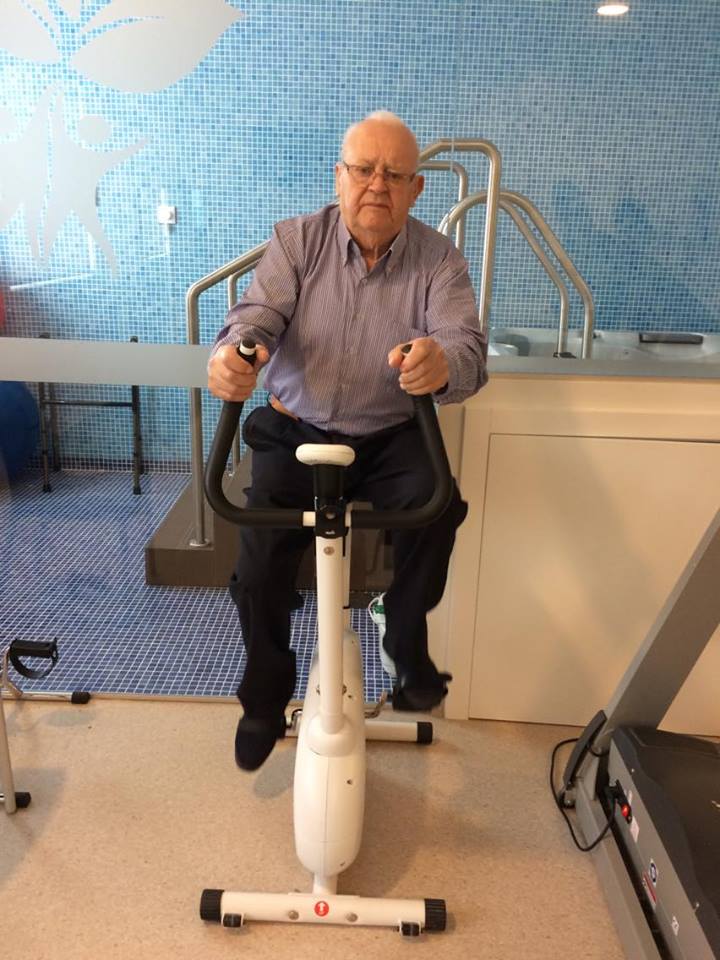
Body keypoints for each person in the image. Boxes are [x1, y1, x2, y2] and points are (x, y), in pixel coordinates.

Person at [208, 111, 488, 770]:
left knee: (439, 507)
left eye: (394, 175)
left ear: (416, 189)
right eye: (363, 170)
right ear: (340, 177)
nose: (377, 185)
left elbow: (465, 346)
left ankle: (404, 634)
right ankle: (263, 698)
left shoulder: (439, 260)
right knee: (258, 567)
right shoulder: (297, 241)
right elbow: (257, 316)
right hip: (294, 430)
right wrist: (236, 353)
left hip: (391, 434)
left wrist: (442, 362)